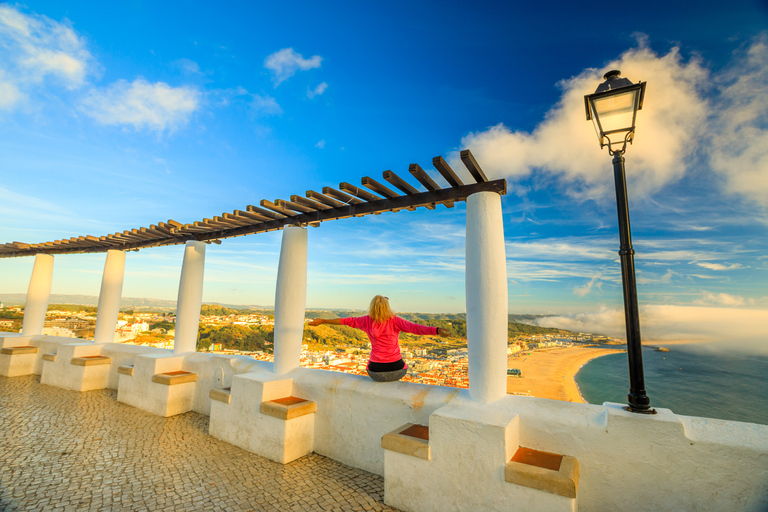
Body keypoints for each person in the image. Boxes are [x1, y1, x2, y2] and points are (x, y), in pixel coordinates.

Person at [308, 295, 449, 382]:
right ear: (388, 307)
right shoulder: (395, 320)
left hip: (375, 372)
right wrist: (436, 330)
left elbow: (345, 321)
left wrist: (323, 321)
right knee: (404, 365)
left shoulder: (366, 321)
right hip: (398, 370)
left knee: (368, 365)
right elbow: (415, 328)